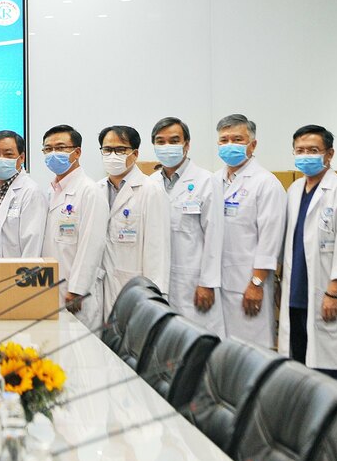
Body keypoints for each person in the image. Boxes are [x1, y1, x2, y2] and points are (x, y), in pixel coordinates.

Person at [278, 125, 337, 384]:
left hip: (327, 293)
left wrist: (333, 291)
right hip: (297, 295)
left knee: (332, 373)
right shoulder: (294, 190)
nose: (306, 156)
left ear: (329, 154)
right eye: (300, 150)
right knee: (300, 368)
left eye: (313, 150)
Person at [215, 113, 286, 348]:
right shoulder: (214, 180)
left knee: (251, 352)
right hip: (218, 284)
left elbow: (270, 240)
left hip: (248, 284)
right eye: (224, 140)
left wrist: (256, 283)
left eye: (237, 139)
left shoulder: (266, 183)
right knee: (221, 351)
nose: (230, 145)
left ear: (252, 145)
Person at [151, 118, 225, 337]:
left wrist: (207, 283)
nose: (167, 146)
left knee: (197, 341)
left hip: (193, 280)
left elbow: (215, 235)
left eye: (174, 141)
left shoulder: (206, 181)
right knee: (164, 341)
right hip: (160, 279)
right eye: (160, 141)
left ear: (187, 144)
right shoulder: (151, 183)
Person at [97, 125, 171, 319]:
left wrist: (155, 297)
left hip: (136, 287)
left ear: (135, 153)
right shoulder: (97, 189)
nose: (113, 155)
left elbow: (157, 250)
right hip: (102, 287)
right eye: (107, 150)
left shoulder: (151, 190)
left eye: (120, 150)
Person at [41, 125, 109, 330]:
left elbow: (92, 245)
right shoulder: (51, 191)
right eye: (48, 149)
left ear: (77, 152)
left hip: (76, 294)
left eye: (60, 148)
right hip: (52, 288)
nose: (53, 154)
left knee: (80, 347)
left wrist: (77, 289)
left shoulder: (90, 191)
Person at [0, 130, 46, 259]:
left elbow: (32, 244)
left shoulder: (31, 192)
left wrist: (25, 271)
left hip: (9, 270)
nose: (1, 159)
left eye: (8, 154)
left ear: (21, 158)